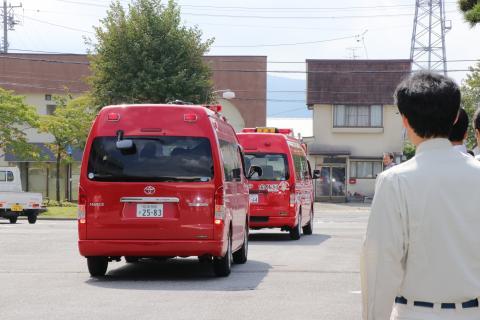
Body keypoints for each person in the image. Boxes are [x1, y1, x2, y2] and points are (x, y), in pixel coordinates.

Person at [361, 71, 480, 320]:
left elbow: (382, 265)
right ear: (456, 116)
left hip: (415, 311)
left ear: (405, 120)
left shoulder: (394, 181)